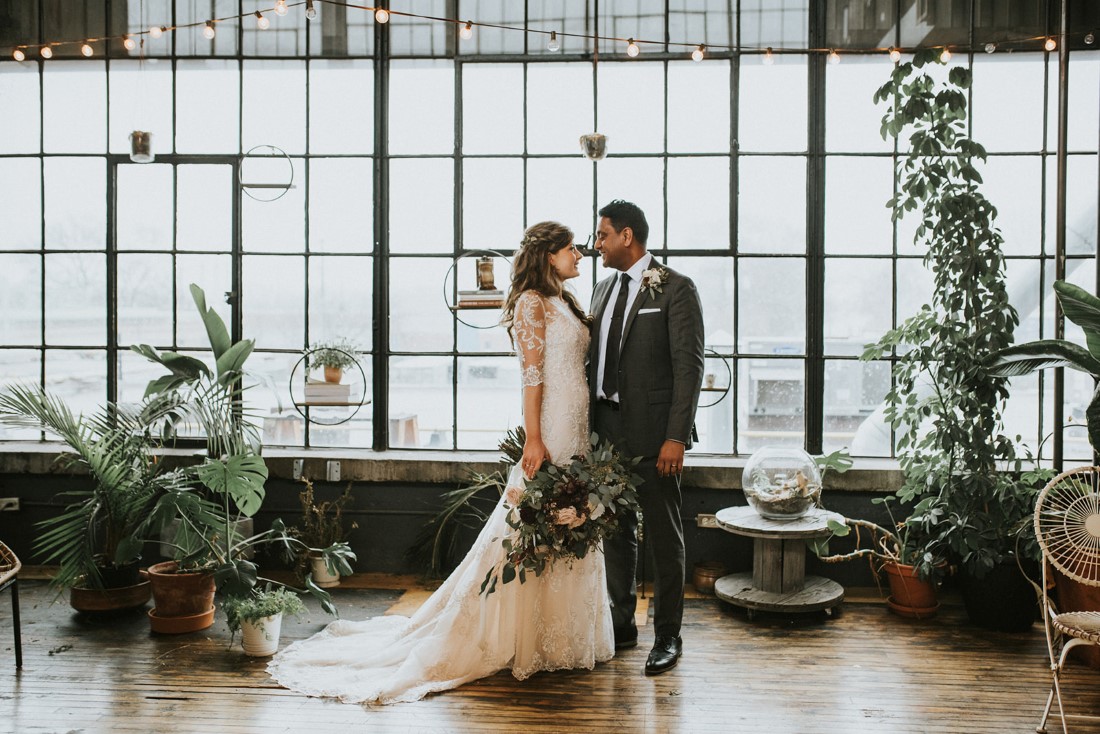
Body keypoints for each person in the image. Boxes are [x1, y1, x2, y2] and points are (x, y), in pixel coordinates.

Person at [268, 221, 613, 704]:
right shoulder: (532, 303)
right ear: (548, 255)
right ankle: (511, 635)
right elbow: (532, 377)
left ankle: (562, 634)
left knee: (568, 521)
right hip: (552, 428)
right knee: (530, 525)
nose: (580, 254)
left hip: (578, 428)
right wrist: (534, 438)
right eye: (571, 248)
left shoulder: (568, 302)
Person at [588, 199, 704, 676]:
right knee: (615, 532)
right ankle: (622, 622)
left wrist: (676, 437)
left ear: (627, 236)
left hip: (656, 436)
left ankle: (668, 636)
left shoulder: (676, 288)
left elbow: (689, 367)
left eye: (602, 235)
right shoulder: (600, 290)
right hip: (605, 431)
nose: (596, 244)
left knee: (663, 536)